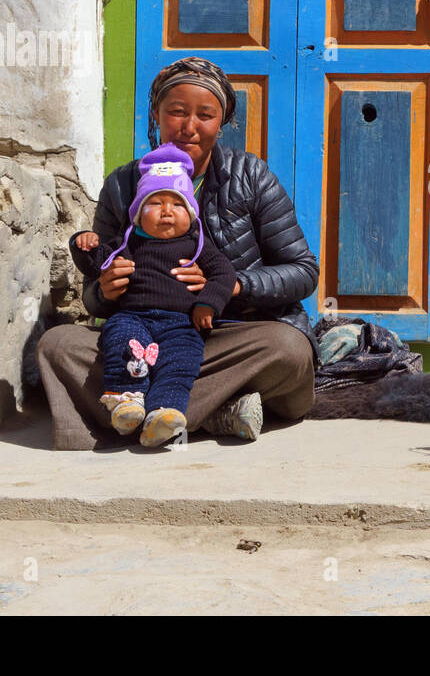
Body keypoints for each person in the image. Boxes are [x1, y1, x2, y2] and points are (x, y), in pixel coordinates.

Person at [37, 57, 319, 450]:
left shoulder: (250, 176)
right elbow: (93, 295)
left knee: (288, 349)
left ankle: (145, 414)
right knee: (59, 345)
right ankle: (213, 412)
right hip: (145, 333)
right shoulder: (123, 184)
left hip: (229, 336)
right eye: (176, 112)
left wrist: (234, 286)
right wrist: (104, 289)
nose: (189, 127)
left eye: (205, 115)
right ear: (156, 114)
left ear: (221, 123)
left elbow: (303, 271)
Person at [70, 143, 238, 447]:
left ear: (190, 213)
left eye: (176, 205)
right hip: (133, 317)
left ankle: (163, 415)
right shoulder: (129, 241)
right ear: (137, 214)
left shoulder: (197, 244)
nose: (166, 212)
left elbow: (224, 274)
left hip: (182, 325)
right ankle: (126, 404)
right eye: (155, 204)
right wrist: (86, 244)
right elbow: (98, 264)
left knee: (181, 364)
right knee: (122, 344)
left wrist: (206, 304)